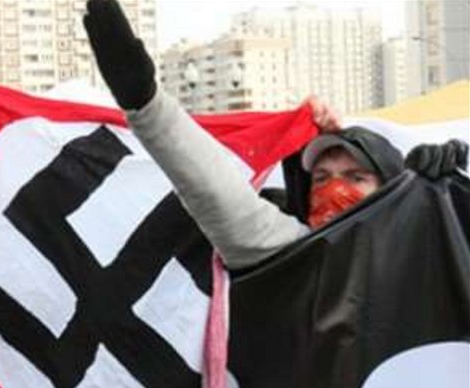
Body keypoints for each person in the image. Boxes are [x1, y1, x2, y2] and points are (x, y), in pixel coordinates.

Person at [82, 0, 468, 270]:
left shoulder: (430, 255)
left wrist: (446, 199)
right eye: (321, 178)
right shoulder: (291, 252)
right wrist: (146, 104)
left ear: (390, 185)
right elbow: (214, 190)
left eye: (355, 177)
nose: (334, 189)